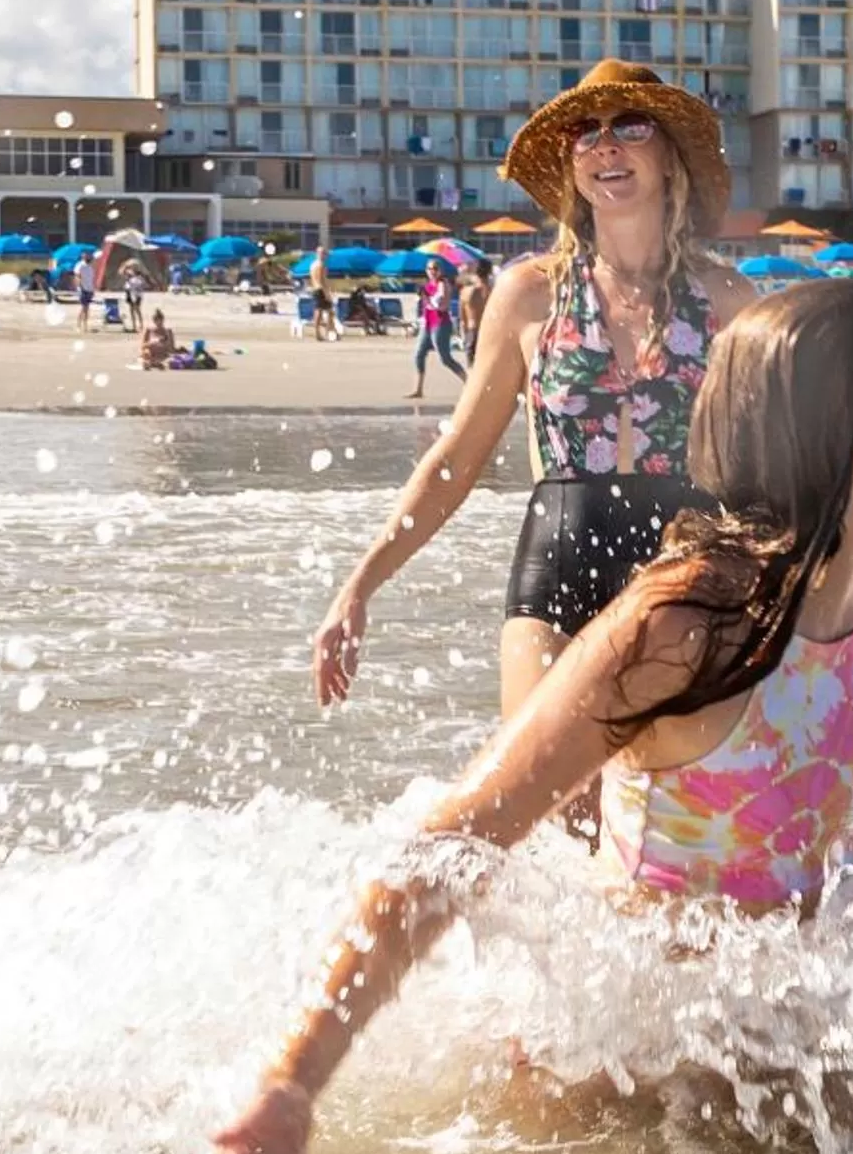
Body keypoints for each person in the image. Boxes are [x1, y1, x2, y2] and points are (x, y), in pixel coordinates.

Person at [217, 281, 853, 1154]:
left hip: (772, 1041)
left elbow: (839, 730)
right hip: (621, 1078)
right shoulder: (685, 621)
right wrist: (294, 1084)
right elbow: (452, 842)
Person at [310, 60, 758, 720]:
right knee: (549, 807)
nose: (606, 144)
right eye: (586, 132)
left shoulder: (727, 298)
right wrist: (358, 587)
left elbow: (775, 462)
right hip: (562, 558)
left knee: (678, 807)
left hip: (691, 567)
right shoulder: (528, 294)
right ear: (573, 166)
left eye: (631, 126)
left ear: (668, 155)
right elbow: (458, 456)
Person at [407, 265, 465, 399]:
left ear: (440, 271)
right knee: (418, 355)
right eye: (429, 269)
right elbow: (424, 306)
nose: (432, 271)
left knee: (445, 358)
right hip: (427, 324)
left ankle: (468, 382)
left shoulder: (443, 284)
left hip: (440, 324)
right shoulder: (427, 285)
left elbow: (442, 305)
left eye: (435, 269)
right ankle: (418, 389)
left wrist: (428, 299)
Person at [459, 257, 493, 365]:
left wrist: (462, 334)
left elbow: (462, 317)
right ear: (490, 272)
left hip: (472, 330)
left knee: (472, 367)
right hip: (490, 331)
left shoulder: (467, 292)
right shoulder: (495, 291)